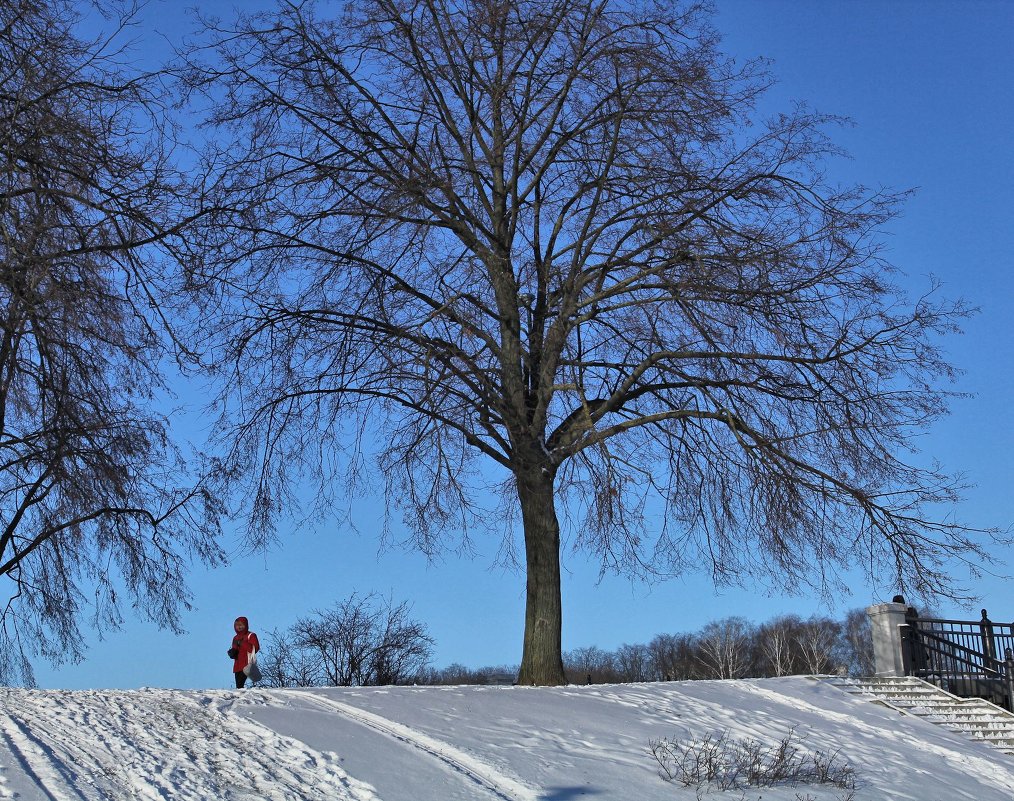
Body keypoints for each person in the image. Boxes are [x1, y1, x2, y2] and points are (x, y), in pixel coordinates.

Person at [228, 616, 260, 688]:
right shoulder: (235, 638)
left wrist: (242, 643)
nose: (239, 627)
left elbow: (254, 649)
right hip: (237, 665)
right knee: (239, 686)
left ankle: (243, 697)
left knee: (240, 684)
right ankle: (241, 697)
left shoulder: (251, 635)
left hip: (247, 663)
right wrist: (232, 653)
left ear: (245, 625)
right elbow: (235, 648)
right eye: (237, 625)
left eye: (241, 625)